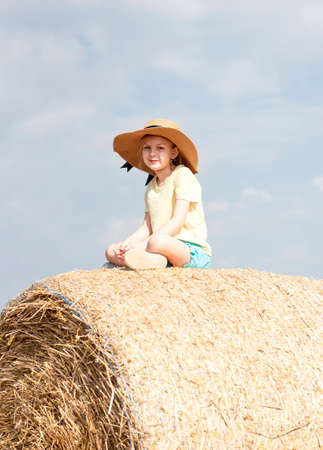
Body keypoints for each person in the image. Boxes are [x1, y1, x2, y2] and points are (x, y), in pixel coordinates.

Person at [105, 118, 212, 270]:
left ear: (173, 153)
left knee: (157, 242)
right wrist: (127, 244)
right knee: (111, 250)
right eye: (147, 148)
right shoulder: (151, 187)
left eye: (160, 148)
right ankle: (154, 262)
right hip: (155, 246)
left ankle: (150, 259)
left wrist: (144, 244)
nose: (152, 153)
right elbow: (147, 226)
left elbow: (178, 220)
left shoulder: (183, 174)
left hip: (189, 250)